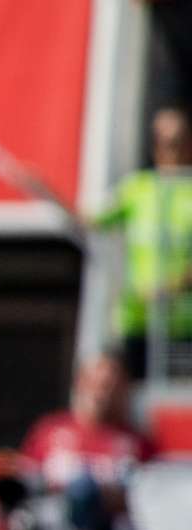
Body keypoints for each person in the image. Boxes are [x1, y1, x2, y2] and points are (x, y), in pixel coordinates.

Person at [15, 352, 156, 530]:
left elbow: (152, 498)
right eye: (96, 383)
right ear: (80, 383)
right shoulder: (50, 432)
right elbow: (23, 487)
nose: (102, 392)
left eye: (111, 385)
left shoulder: (137, 443)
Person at [98, 105, 192, 380]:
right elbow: (88, 220)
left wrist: (172, 286)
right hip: (137, 321)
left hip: (182, 325)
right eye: (163, 141)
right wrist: (41, 187)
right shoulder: (137, 188)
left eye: (178, 141)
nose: (170, 149)